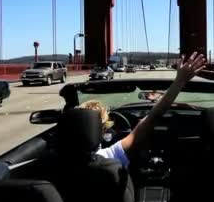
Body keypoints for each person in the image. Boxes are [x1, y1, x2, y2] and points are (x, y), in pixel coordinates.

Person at [78, 52, 206, 167]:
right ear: (102, 130)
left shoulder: (60, 164)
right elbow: (153, 116)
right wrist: (180, 80)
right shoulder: (109, 157)